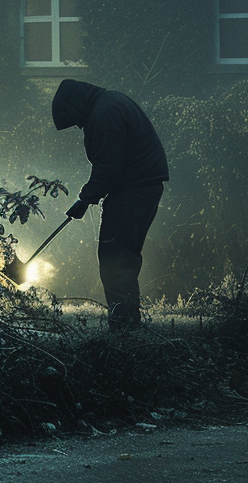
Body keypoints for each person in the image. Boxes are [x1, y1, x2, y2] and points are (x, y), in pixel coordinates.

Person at [52, 79, 168, 333]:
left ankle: (124, 329)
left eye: (75, 121)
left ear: (76, 106)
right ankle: (127, 324)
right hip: (141, 188)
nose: (78, 125)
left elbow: (108, 167)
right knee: (123, 258)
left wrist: (84, 199)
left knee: (115, 260)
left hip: (132, 192)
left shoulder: (105, 114)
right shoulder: (110, 103)